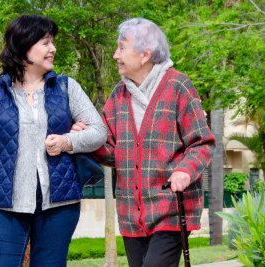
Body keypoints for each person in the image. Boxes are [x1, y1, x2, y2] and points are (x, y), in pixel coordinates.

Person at [72, 18, 216, 267]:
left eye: (121, 48)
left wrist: (185, 170)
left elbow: (202, 143)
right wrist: (87, 138)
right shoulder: (118, 95)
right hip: (131, 214)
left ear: (145, 55)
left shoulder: (178, 86)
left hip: (170, 208)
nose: (116, 55)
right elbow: (111, 152)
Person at [0, 15, 106, 267]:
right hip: (5, 205)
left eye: (52, 42)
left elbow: (99, 131)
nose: (52, 49)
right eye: (45, 42)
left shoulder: (66, 87)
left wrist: (66, 141)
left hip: (59, 205)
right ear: (23, 46)